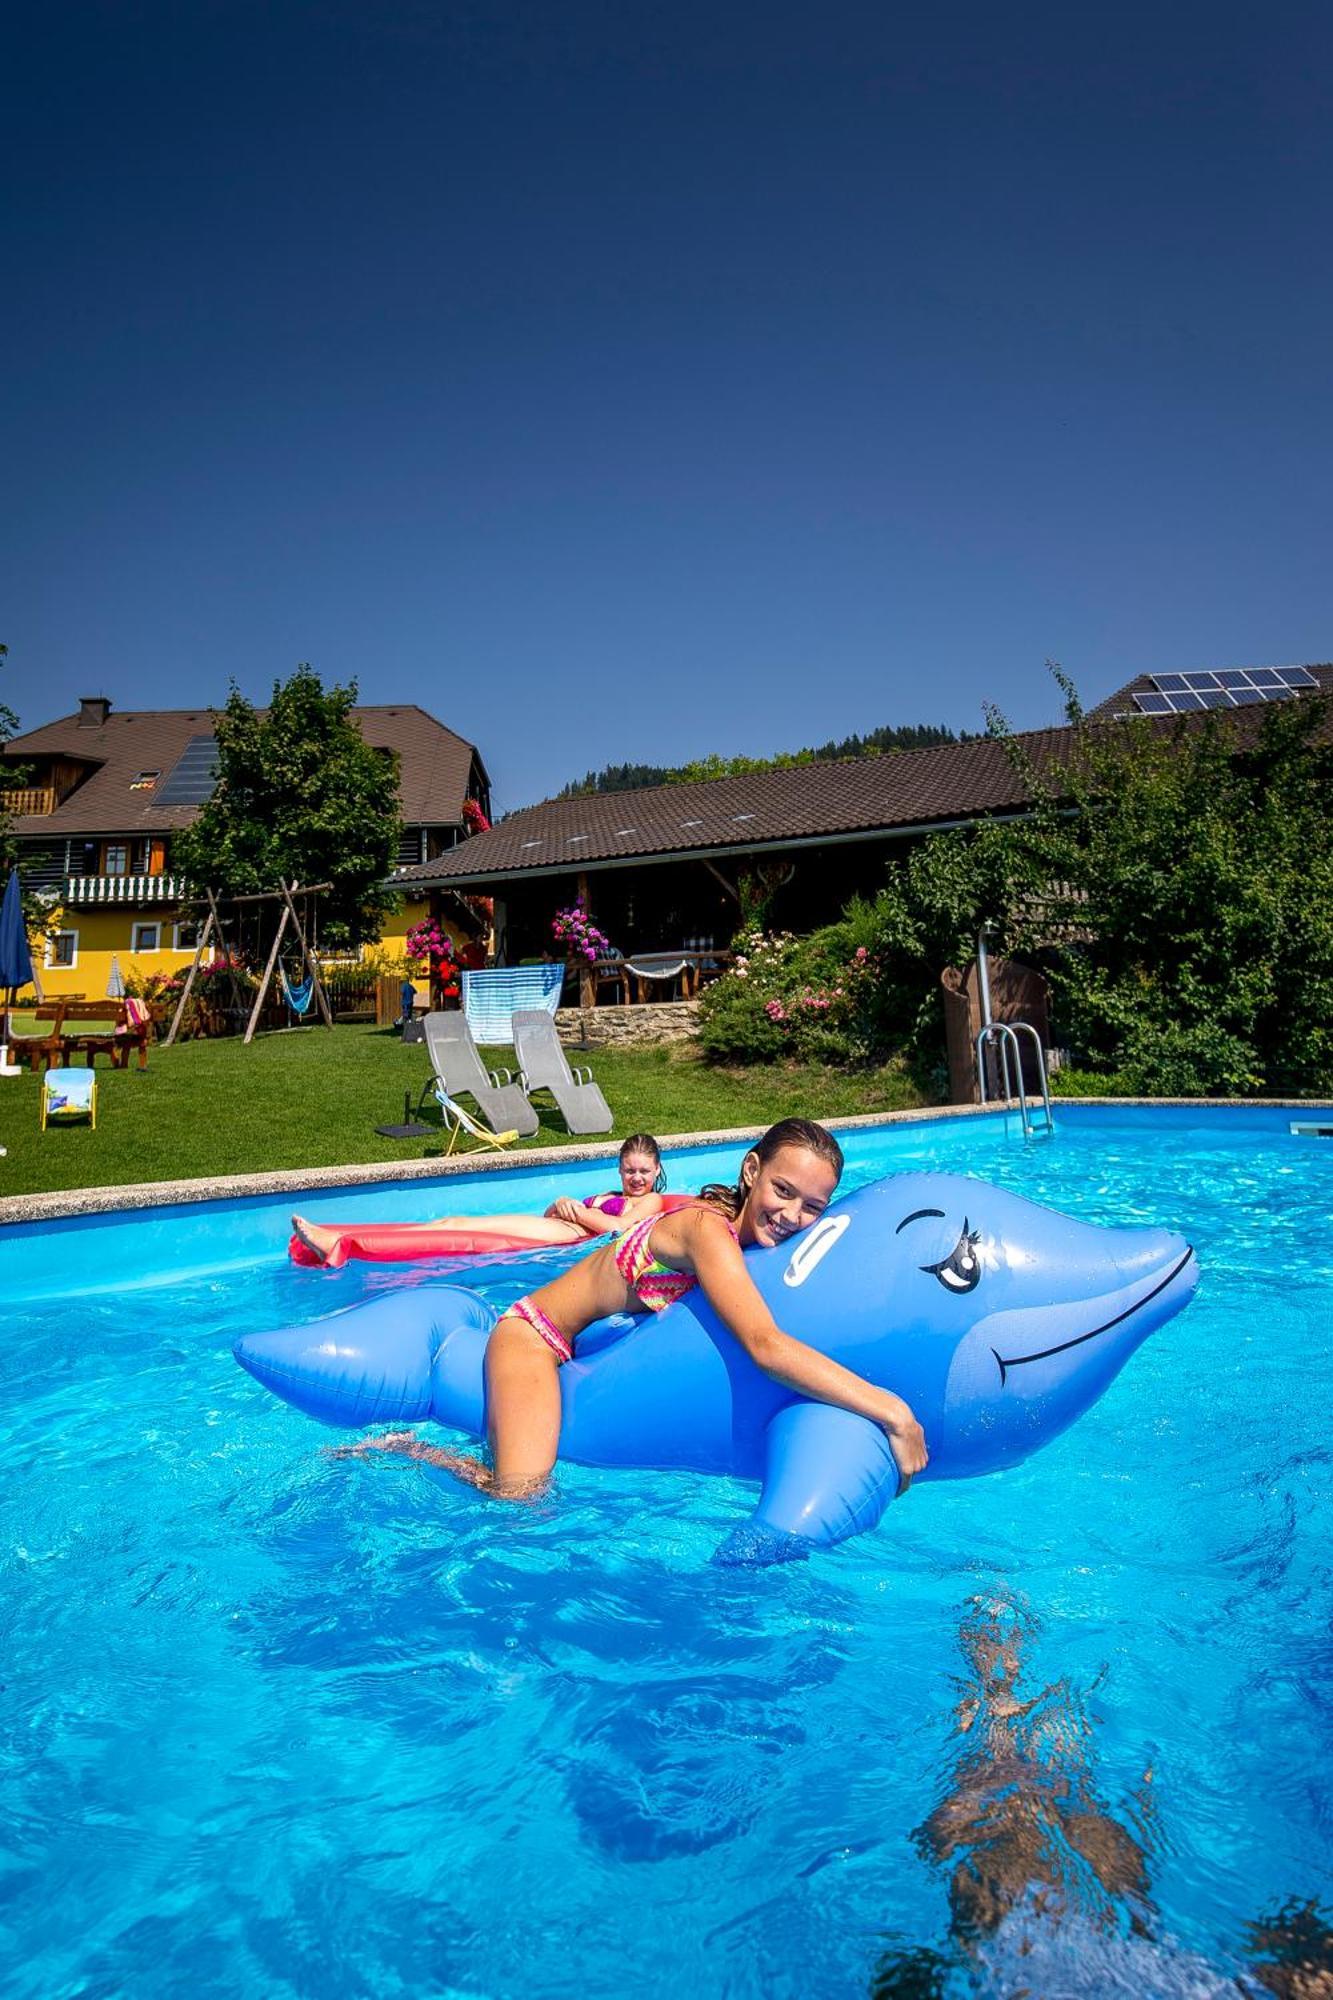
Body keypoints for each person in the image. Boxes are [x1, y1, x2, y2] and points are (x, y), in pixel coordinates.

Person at [348, 1117, 929, 1500]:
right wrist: (894, 1413)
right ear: (752, 1171)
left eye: (813, 1207)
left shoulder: (757, 1249)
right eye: (783, 1190)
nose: (793, 1214)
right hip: (534, 1340)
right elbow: (764, 1346)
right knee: (520, 1498)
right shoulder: (707, 1231)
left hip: (595, 1353)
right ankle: (409, 1451)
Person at [290, 1133, 680, 1269]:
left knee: (455, 1229)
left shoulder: (651, 1201)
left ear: (657, 1169)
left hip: (562, 1238)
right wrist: (561, 1206)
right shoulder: (610, 1195)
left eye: (644, 1171)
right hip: (555, 1224)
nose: (637, 1178)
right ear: (619, 1168)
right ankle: (337, 1234)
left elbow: (616, 1230)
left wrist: (577, 1211)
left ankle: (340, 1244)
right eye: (630, 1170)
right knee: (451, 1221)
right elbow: (554, 1214)